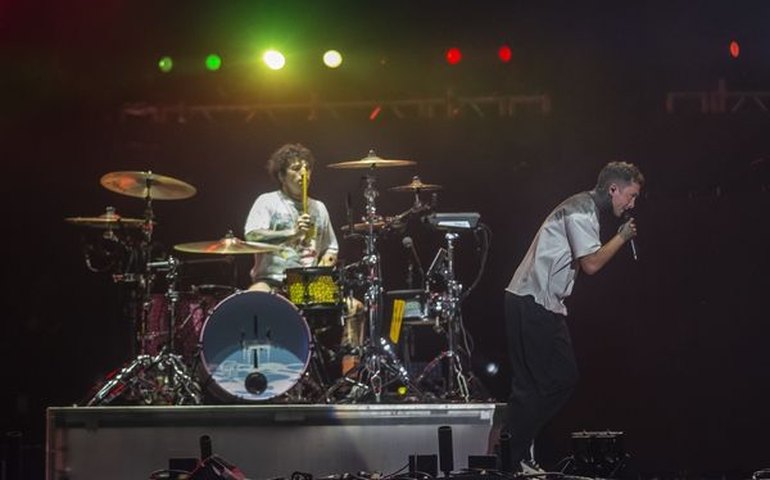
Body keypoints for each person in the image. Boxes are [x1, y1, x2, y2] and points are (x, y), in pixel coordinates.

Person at [502, 161, 644, 473]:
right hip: (529, 301)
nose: (632, 204)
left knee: (564, 377)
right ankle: (509, 461)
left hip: (549, 306)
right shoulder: (581, 210)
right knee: (530, 388)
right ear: (613, 189)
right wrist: (621, 237)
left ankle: (517, 447)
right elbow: (591, 264)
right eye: (630, 196)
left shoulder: (587, 210)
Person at [244, 143, 363, 376]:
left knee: (354, 308)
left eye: (307, 168)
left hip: (309, 281)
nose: (303, 174)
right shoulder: (267, 202)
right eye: (296, 169)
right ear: (281, 175)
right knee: (253, 300)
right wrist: (291, 234)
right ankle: (257, 372)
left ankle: (350, 379)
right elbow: (252, 235)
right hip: (273, 279)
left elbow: (330, 247)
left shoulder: (319, 208)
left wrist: (322, 268)